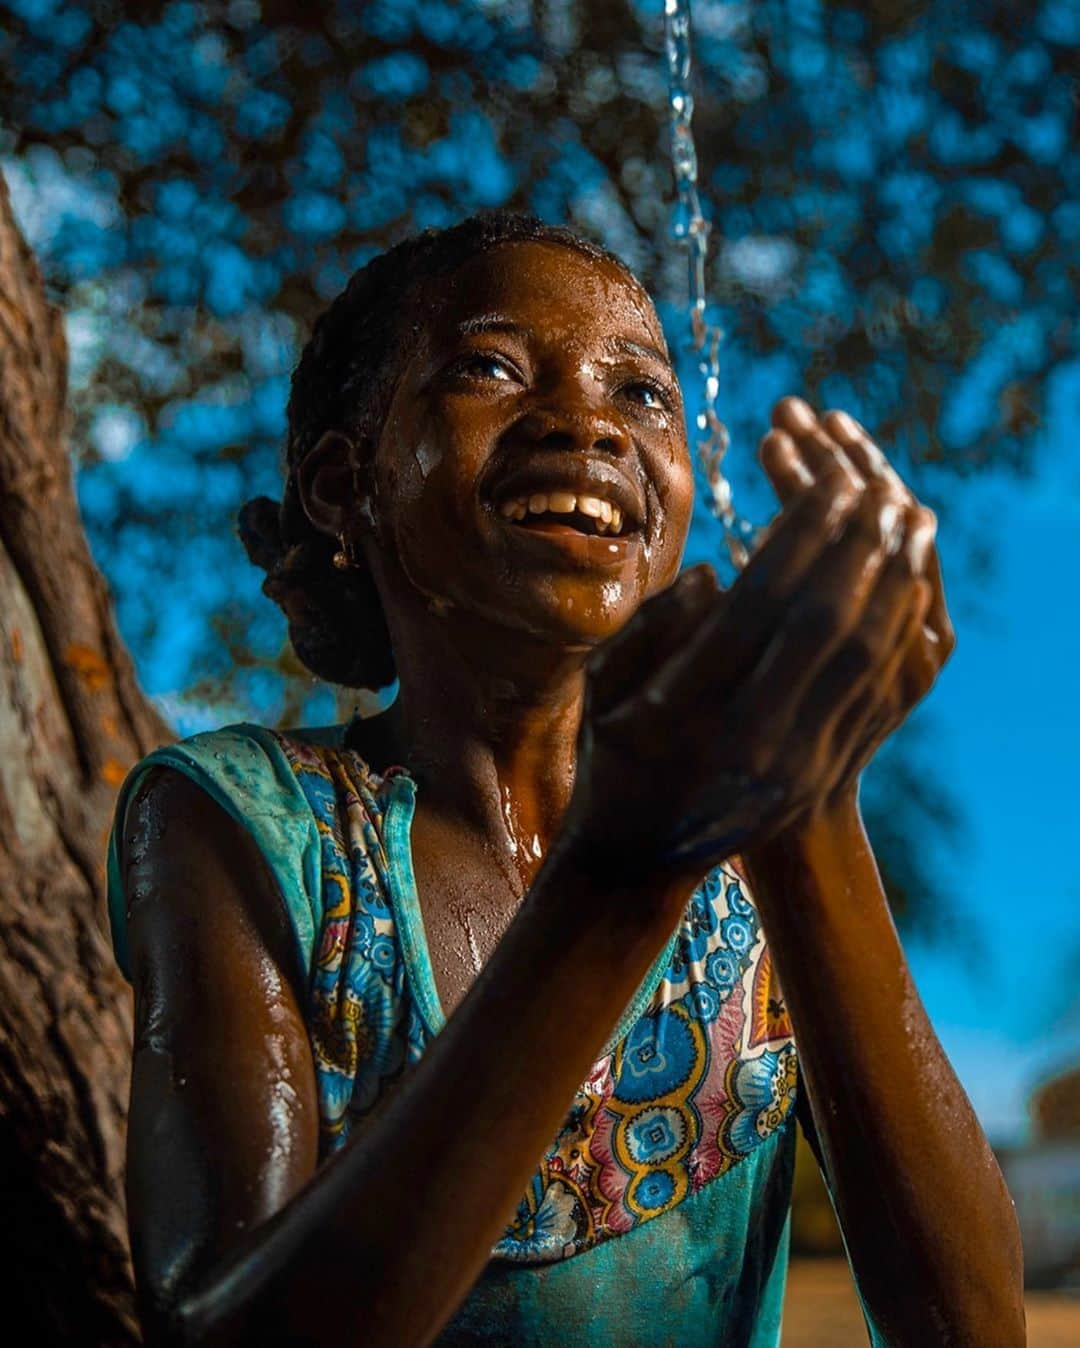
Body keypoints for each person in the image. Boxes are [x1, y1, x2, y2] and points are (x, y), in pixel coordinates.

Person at [107, 212, 1024, 1347]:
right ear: (350, 482)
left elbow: (970, 1327)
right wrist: (621, 879)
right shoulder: (242, 824)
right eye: (490, 367)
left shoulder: (749, 853)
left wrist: (809, 800)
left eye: (642, 393)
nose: (587, 423)